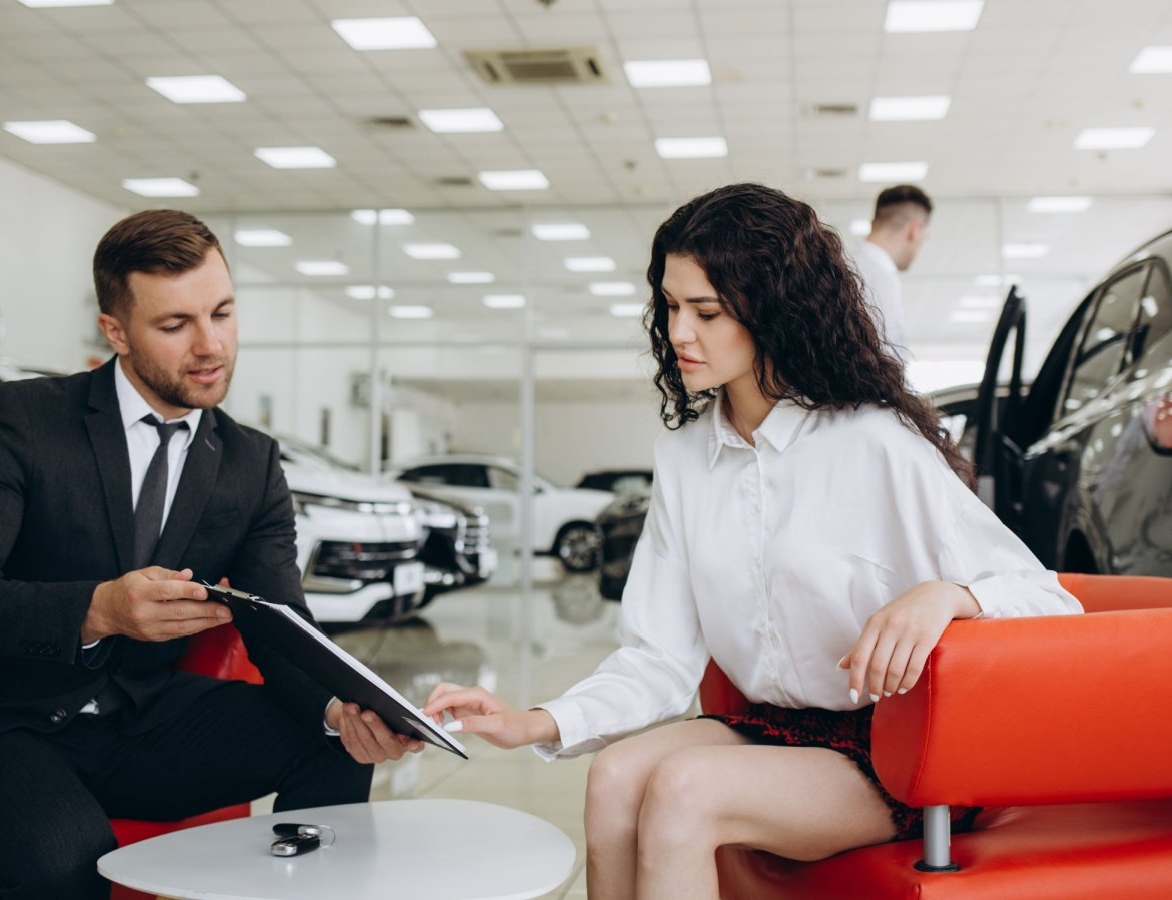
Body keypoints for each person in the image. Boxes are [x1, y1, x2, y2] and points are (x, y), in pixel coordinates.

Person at [423, 184, 1081, 900]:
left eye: (706, 312)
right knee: (615, 776)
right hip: (768, 728)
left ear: (775, 311)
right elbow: (659, 656)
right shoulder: (684, 457)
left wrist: (948, 596)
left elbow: (1047, 601)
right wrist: (537, 721)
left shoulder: (872, 442)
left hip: (894, 750)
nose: (679, 333)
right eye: (671, 307)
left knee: (684, 789)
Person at [0, 209, 422, 899]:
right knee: (71, 858)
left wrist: (342, 707)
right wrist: (97, 611)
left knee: (333, 743)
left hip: (143, 716)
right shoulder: (23, 420)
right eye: (176, 325)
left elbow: (282, 623)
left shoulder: (250, 461)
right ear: (115, 331)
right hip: (5, 726)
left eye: (223, 313)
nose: (211, 345)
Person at [852, 183, 933, 362]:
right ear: (915, 230)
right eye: (924, 239)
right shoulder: (877, 279)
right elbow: (882, 361)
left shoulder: (854, 267)